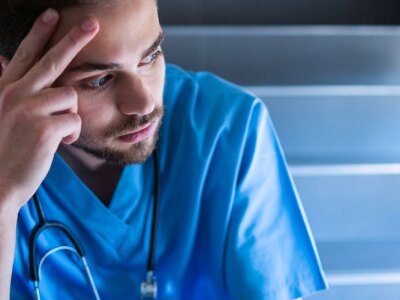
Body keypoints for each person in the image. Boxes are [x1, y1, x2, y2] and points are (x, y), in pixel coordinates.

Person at [0, 0, 327, 299]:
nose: (144, 102)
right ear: (12, 76)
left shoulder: (227, 129)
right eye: (100, 80)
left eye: (151, 56)